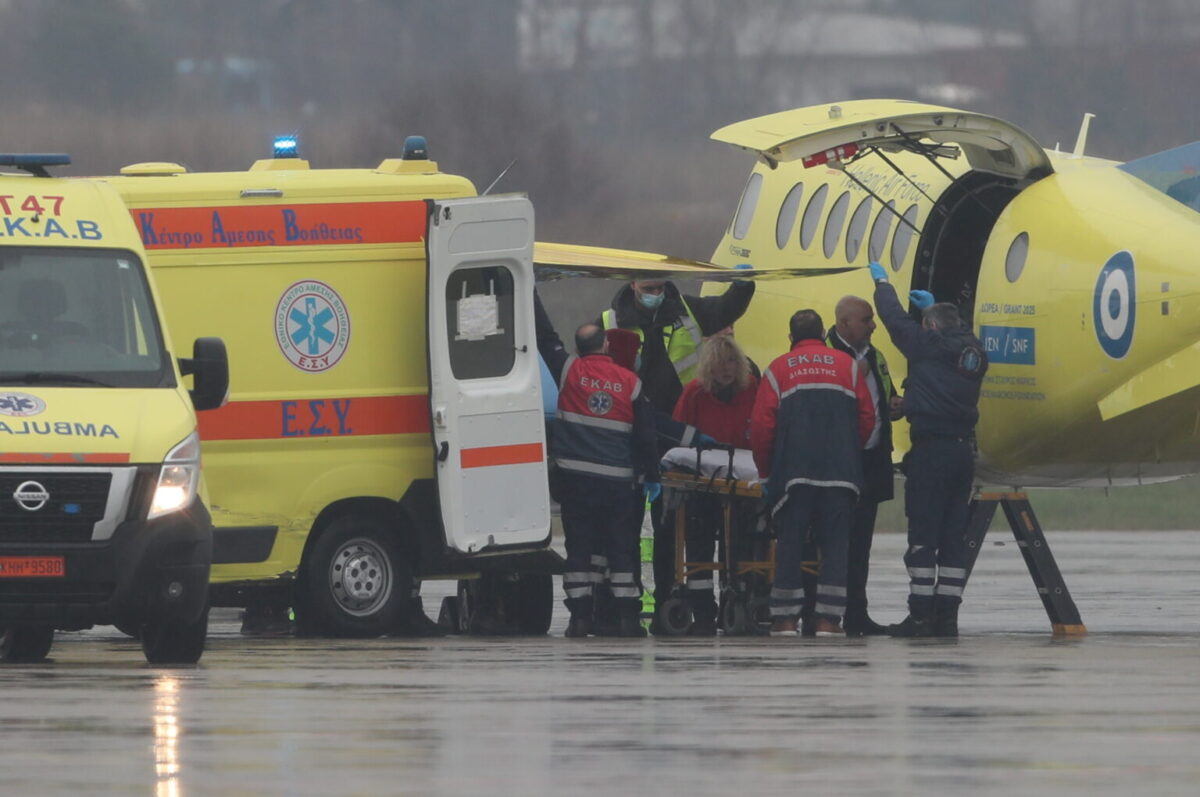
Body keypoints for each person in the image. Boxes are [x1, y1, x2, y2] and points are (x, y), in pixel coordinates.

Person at [599, 276, 755, 628]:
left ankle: (671, 592)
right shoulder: (610, 320)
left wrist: (743, 285)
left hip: (676, 436)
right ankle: (625, 602)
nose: (655, 295)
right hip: (631, 433)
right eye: (648, 289)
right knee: (625, 527)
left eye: (659, 288)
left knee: (670, 525)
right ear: (633, 284)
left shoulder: (688, 311)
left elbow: (727, 307)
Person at [868, 262, 988, 638]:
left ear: (931, 328)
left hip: (932, 454)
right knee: (953, 538)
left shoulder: (927, 344)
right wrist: (933, 309)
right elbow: (953, 343)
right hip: (962, 454)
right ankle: (947, 617)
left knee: (923, 537)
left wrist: (883, 284)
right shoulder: (974, 353)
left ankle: (920, 616)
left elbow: (893, 320)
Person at [751, 310, 875, 637]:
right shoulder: (847, 366)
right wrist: (849, 449)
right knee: (836, 546)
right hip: (841, 472)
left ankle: (786, 619)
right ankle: (829, 621)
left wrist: (767, 473)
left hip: (794, 474)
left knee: (790, 543)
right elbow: (867, 417)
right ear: (823, 332)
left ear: (790, 337)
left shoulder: (778, 369)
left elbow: (762, 427)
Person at [550, 322, 660, 638]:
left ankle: (580, 619)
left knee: (579, 551)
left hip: (575, 481)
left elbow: (547, 339)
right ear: (606, 346)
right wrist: (651, 475)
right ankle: (627, 620)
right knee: (621, 549)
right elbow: (646, 437)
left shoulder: (569, 370)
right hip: (617, 484)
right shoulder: (630, 382)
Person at [822, 295, 904, 636]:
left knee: (860, 546)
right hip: (836, 463)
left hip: (870, 462)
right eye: (866, 319)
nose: (873, 325)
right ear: (844, 324)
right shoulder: (826, 356)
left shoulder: (875, 356)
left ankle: (857, 613)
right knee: (831, 544)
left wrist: (895, 405)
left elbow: (884, 395)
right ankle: (827, 615)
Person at [670, 335, 759, 634]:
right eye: (721, 361)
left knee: (740, 544)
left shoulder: (750, 391)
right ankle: (703, 610)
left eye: (732, 360)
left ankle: (736, 599)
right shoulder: (695, 393)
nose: (727, 368)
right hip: (702, 483)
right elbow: (680, 433)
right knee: (699, 543)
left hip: (741, 483)